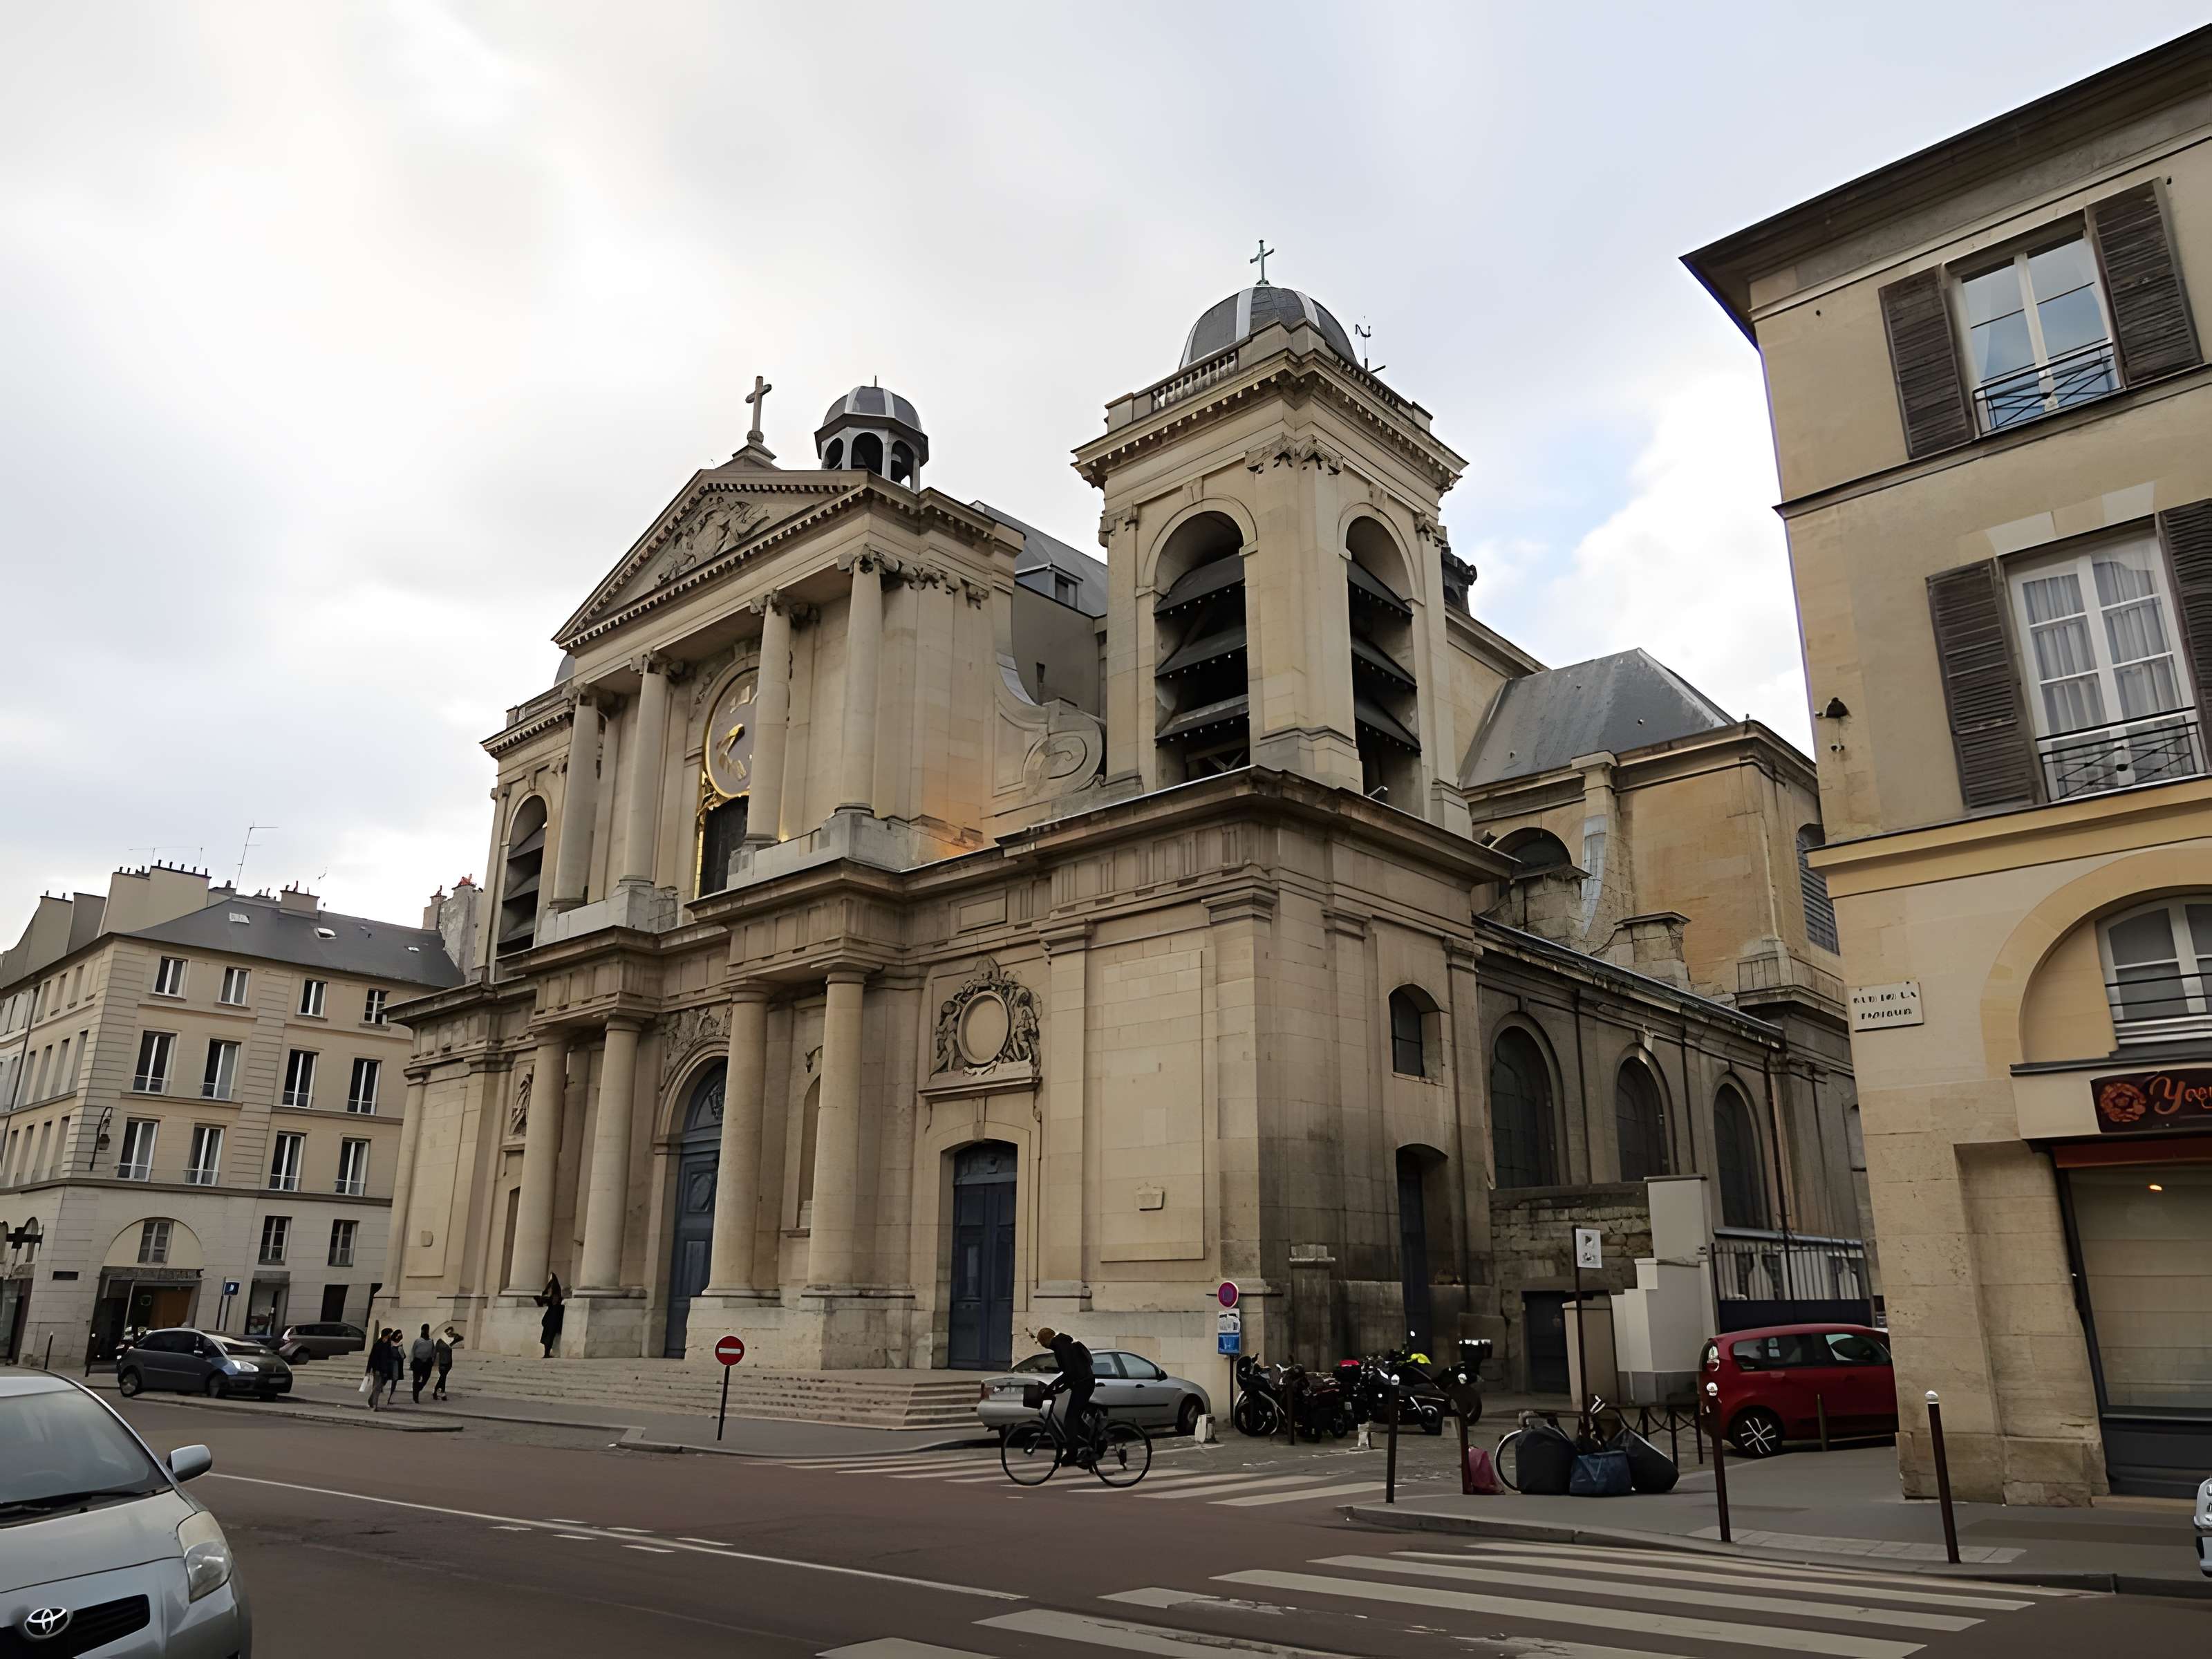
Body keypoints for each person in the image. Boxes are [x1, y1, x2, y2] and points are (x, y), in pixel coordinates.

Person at [1033, 1327, 1099, 1463]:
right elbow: (1072, 1371)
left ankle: (1072, 1454)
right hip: (1085, 1382)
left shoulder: (1060, 1346)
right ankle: (1097, 1441)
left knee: (1070, 1419)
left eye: (1043, 1344)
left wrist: (1052, 1388)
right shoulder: (1065, 1342)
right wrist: (1057, 1388)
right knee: (1075, 1419)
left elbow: (1069, 1372)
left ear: (1046, 1340)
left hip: (1083, 1384)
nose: (1046, 1347)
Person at [536, 1275, 565, 1359]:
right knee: (548, 1336)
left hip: (552, 1319)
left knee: (549, 1336)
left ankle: (546, 1353)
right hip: (551, 1319)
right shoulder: (554, 1297)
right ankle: (546, 1353)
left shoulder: (555, 1297)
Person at [408, 1324, 436, 1403]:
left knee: (426, 1378)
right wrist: (412, 1362)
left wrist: (432, 1360)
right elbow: (413, 1351)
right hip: (418, 1361)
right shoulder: (418, 1341)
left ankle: (419, 1387)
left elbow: (433, 1352)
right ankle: (415, 1396)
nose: (425, 1331)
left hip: (427, 1362)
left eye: (427, 1330)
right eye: (424, 1330)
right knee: (416, 1379)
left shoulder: (431, 1341)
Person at [433, 1326, 459, 1400]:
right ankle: (442, 1393)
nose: (450, 1334)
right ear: (446, 1333)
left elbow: (460, 1337)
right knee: (443, 1377)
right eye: (449, 1333)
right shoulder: (441, 1341)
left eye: (451, 1333)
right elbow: (435, 1353)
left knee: (443, 1377)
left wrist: (454, 1336)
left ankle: (436, 1391)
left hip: (449, 1363)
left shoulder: (452, 1341)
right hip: (442, 1363)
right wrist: (434, 1363)